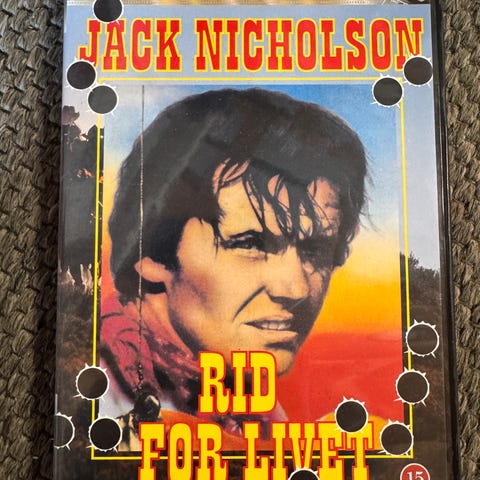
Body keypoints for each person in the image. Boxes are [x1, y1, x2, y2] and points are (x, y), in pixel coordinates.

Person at [100, 88, 367, 449]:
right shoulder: (104, 400)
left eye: (315, 249)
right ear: (152, 254)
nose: (297, 289)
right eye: (250, 244)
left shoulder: (246, 405)